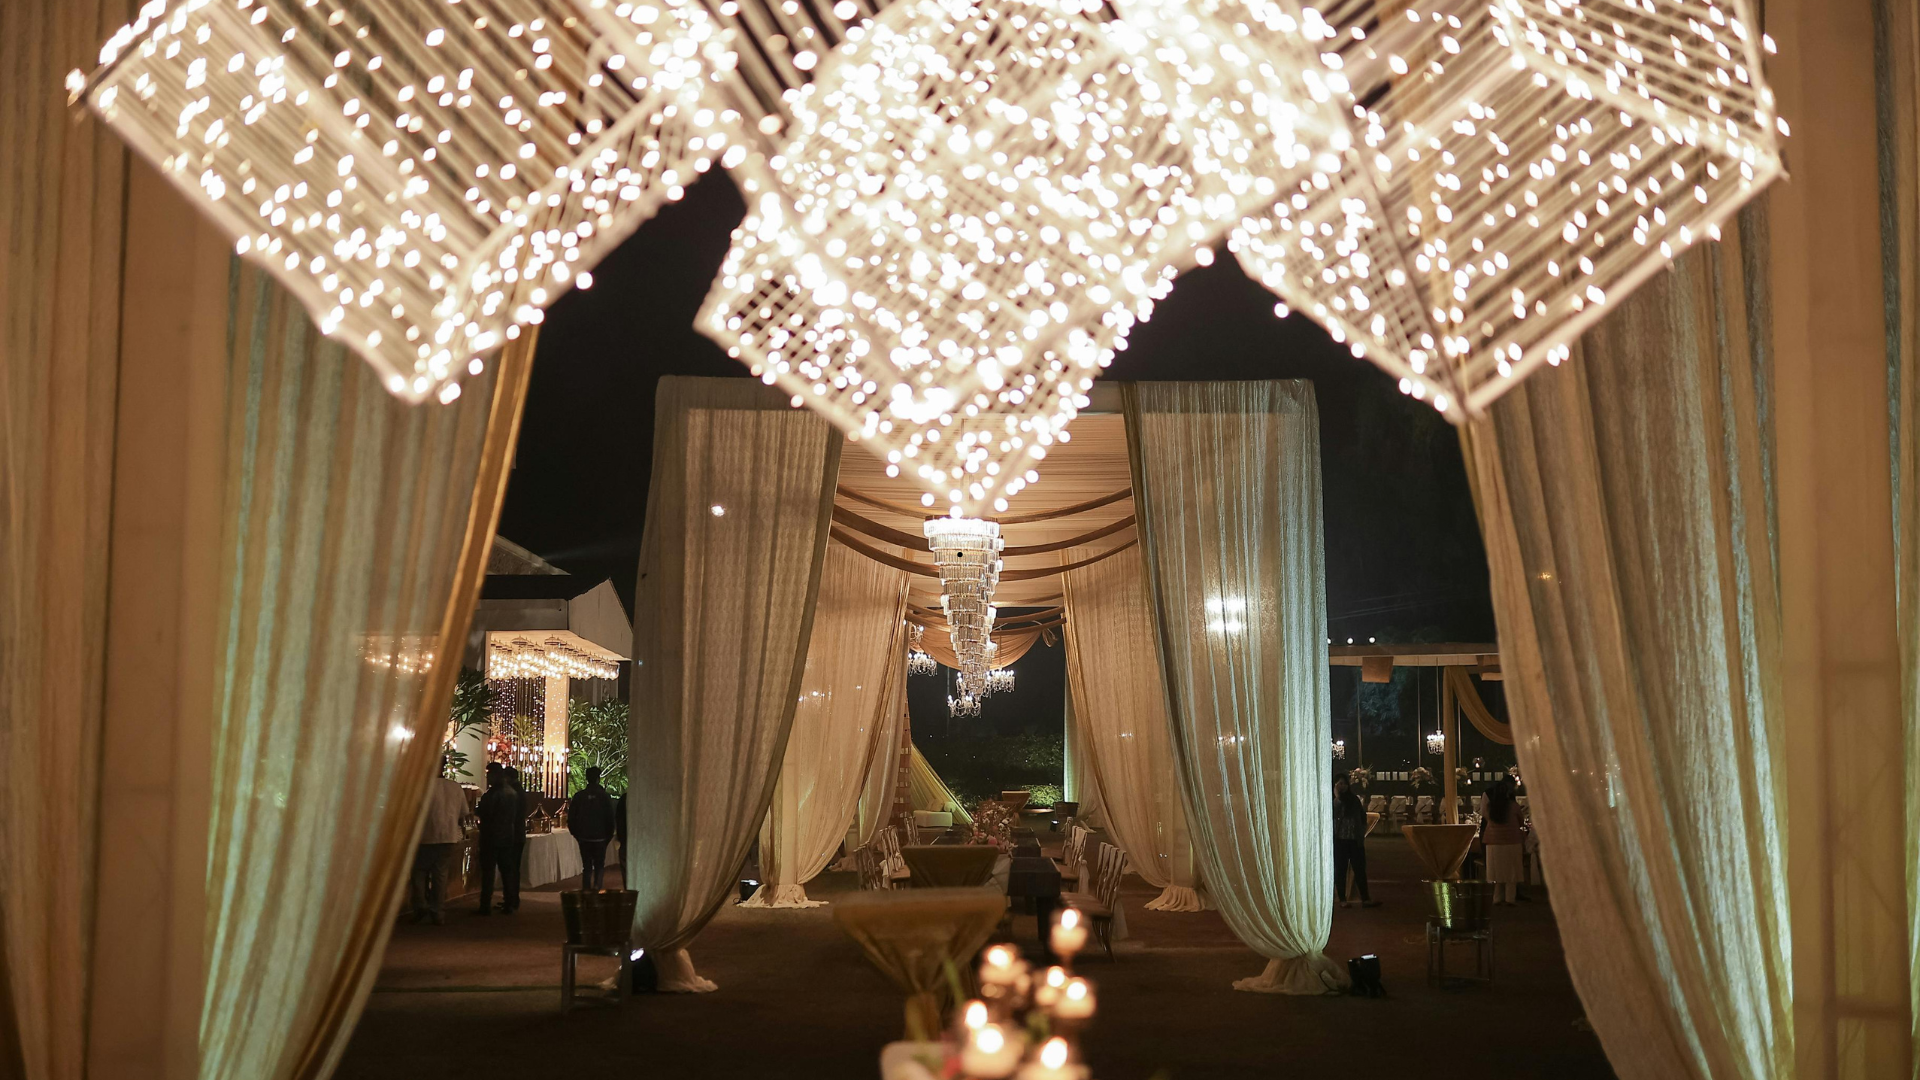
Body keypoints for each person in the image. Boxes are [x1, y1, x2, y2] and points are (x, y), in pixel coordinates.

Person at [410, 761, 471, 924]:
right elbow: (464, 812)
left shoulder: (421, 786)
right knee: (440, 875)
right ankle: (437, 911)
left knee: (419, 873)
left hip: (425, 836)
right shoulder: (454, 787)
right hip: (448, 836)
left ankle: (420, 906)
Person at [476, 764, 524, 915]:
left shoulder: (493, 794)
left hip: (491, 836)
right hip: (507, 835)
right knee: (507, 872)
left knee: (489, 872)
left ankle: (485, 905)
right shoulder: (511, 792)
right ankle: (509, 902)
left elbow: (486, 813)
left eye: (489, 774)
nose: (488, 777)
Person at [567, 766, 618, 890]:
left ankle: (586, 891)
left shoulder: (579, 796)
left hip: (584, 837)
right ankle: (597, 887)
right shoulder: (604, 797)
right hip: (600, 837)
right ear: (598, 778)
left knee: (587, 866)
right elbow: (610, 818)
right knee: (599, 865)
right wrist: (608, 836)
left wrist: (576, 834)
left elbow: (571, 818)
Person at [1332, 774, 1378, 907]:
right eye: (1339, 784)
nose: (1342, 786)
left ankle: (1365, 898)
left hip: (1354, 840)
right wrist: (1337, 796)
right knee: (1341, 870)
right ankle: (1342, 899)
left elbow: (1361, 817)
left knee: (1359, 870)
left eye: (1344, 784)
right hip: (1340, 840)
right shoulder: (1334, 801)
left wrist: (1360, 833)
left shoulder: (1354, 800)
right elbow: (1336, 813)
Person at [1479, 778, 1525, 904]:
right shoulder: (1513, 806)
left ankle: (1496, 898)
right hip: (1512, 840)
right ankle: (1510, 898)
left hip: (1493, 841)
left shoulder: (1490, 807)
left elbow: (1485, 817)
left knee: (1496, 871)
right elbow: (1521, 821)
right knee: (1511, 872)